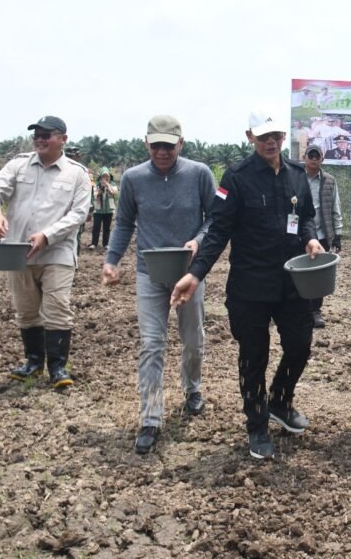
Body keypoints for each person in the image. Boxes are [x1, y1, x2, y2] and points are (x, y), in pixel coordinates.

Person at [171, 108, 323, 460]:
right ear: (250, 137)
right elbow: (218, 230)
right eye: (263, 136)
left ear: (283, 137)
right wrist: (195, 274)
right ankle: (256, 425)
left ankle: (280, 403)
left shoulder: (299, 175)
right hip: (250, 286)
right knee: (254, 356)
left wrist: (311, 239)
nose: (271, 142)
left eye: (276, 136)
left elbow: (306, 218)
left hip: (292, 283)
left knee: (300, 346)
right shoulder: (236, 178)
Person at [102, 115, 216, 455]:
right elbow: (123, 223)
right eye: (156, 145)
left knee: (192, 339)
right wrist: (111, 261)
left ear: (181, 143)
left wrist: (198, 240)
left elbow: (215, 219)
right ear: (146, 143)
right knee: (152, 344)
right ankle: (150, 417)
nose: (162, 151)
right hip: (149, 273)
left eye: (169, 145)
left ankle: (192, 388)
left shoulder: (199, 174)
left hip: (189, 273)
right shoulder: (134, 179)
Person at [0, 116, 91, 388]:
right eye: (37, 135)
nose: (41, 139)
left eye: (47, 134)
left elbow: (79, 214)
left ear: (63, 139)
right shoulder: (18, 165)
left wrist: (48, 235)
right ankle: (33, 363)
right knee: (27, 309)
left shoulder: (77, 173)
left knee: (57, 307)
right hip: (19, 251)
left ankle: (58, 368)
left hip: (58, 253)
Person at [303, 144, 343, 328]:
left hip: (321, 233)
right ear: (305, 157)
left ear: (321, 159)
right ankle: (300, 309)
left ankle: (315, 311)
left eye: (316, 156)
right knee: (299, 271)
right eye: (310, 155)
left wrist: (337, 234)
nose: (313, 158)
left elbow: (335, 208)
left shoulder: (329, 181)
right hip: (300, 234)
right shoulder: (296, 178)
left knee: (318, 275)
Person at [88, 167, 118, 250]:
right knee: (96, 227)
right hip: (98, 210)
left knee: (107, 227)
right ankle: (94, 243)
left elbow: (114, 193)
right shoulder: (96, 185)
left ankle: (105, 244)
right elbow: (95, 195)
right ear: (101, 177)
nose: (105, 178)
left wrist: (107, 185)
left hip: (108, 210)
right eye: (104, 176)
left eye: (106, 176)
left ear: (109, 177)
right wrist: (101, 188)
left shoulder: (113, 185)